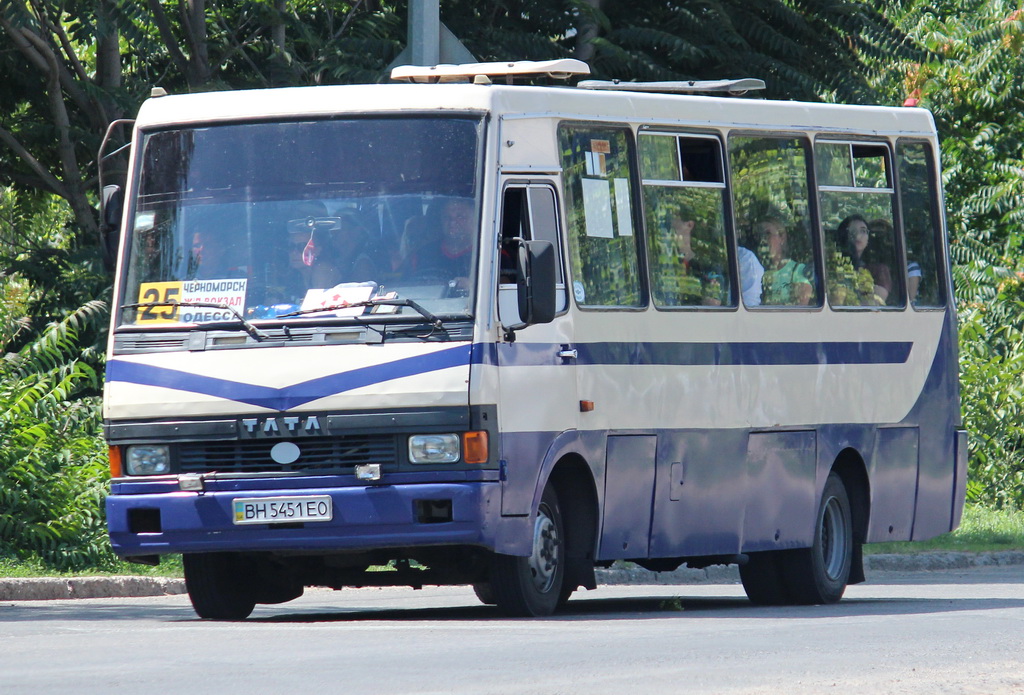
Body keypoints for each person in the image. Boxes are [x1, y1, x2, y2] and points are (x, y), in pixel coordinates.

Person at [667, 208, 727, 306]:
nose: (671, 226)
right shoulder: (664, 263)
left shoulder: (707, 265)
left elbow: (715, 304)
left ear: (690, 225)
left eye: (675, 222)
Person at [310, 211, 378, 288]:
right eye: (332, 230)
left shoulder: (362, 264)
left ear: (356, 231)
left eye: (339, 229)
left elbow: (360, 295)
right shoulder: (337, 259)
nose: (333, 233)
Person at [839, 214, 892, 305]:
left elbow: (875, 302)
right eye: (852, 231)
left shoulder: (879, 270)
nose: (858, 236)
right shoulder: (833, 265)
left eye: (863, 231)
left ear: (869, 238)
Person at [757, 218, 813, 305]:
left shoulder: (797, 270)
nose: (763, 239)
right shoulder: (757, 272)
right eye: (759, 235)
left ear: (782, 238)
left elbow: (801, 309)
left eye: (768, 233)